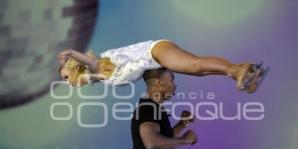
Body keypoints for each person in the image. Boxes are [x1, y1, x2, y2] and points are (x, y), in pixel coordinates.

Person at [57, 39, 268, 93]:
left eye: (65, 77)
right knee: (199, 71)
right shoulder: (101, 77)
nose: (66, 83)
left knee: (196, 65)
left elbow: (90, 62)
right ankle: (243, 71)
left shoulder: (97, 67)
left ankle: (238, 70)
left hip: (154, 51)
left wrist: (71, 54)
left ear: (75, 70)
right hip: (156, 55)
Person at [124, 68, 197, 149]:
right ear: (158, 83)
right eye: (171, 79)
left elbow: (163, 139)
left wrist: (182, 124)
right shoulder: (148, 108)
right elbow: (152, 142)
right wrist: (184, 140)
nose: (175, 85)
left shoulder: (154, 108)